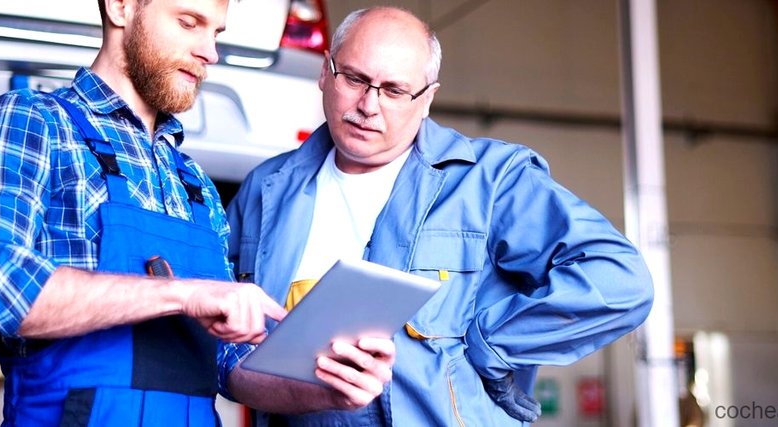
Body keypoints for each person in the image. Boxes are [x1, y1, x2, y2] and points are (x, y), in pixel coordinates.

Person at [0, 0, 394, 425]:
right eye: (188, 23)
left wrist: (327, 387)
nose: (210, 51)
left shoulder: (193, 182)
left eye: (216, 32)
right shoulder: (31, 122)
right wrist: (184, 295)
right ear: (121, 6)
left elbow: (227, 364)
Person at [221, 6, 655, 426]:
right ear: (325, 72)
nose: (369, 105)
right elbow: (227, 341)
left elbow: (619, 281)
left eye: (394, 90)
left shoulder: (490, 181)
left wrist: (489, 345)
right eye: (354, 79)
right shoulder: (266, 189)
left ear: (427, 99)